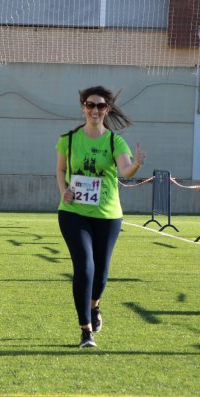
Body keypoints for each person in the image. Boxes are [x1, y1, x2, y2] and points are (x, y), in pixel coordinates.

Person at [55, 86, 147, 348]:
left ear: (107, 110)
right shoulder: (68, 140)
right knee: (84, 267)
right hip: (74, 214)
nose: (95, 110)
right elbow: (61, 170)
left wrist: (137, 164)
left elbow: (125, 169)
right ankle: (85, 330)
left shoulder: (114, 141)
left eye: (101, 106)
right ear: (83, 107)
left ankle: (94, 306)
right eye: (90, 105)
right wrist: (64, 192)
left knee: (101, 273)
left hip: (107, 215)